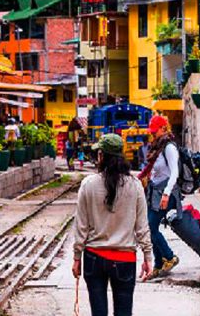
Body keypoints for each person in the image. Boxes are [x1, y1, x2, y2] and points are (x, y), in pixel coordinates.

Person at [72, 133, 152, 316]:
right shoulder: (135, 185)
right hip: (125, 259)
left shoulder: (88, 184)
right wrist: (148, 257)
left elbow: (81, 226)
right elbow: (142, 227)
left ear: (101, 156)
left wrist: (77, 257)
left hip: (94, 258)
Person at [137, 115, 180, 278]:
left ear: (163, 128)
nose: (152, 134)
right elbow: (150, 169)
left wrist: (167, 193)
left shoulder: (169, 147)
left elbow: (174, 172)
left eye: (155, 132)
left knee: (150, 227)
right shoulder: (157, 147)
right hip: (155, 192)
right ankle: (158, 264)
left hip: (166, 193)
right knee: (149, 227)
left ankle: (169, 257)